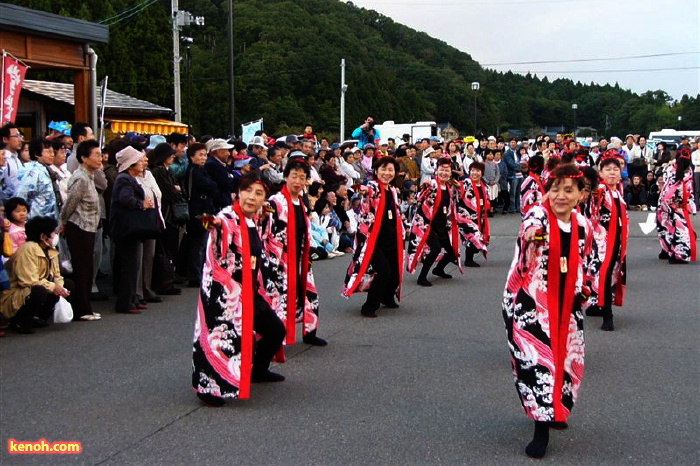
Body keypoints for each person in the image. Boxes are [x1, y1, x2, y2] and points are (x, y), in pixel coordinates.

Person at [502, 163, 591, 459]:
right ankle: (540, 426)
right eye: (555, 189)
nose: (561, 196)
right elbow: (529, 231)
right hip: (534, 303)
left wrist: (586, 290)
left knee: (566, 363)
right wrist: (533, 235)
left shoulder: (583, 225)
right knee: (539, 363)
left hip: (569, 304)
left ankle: (557, 408)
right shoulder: (538, 215)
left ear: (580, 194)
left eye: (569, 190)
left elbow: (589, 262)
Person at [192, 173, 287, 407]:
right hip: (223, 292)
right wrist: (214, 225)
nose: (251, 197)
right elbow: (220, 226)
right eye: (248, 191)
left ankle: (258, 370)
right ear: (238, 193)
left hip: (248, 290)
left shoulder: (255, 218)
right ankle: (207, 387)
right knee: (218, 340)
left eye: (258, 193)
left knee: (275, 330)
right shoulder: (228, 216)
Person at [262, 159, 327, 348]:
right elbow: (269, 231)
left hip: (300, 256)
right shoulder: (275, 201)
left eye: (302, 177)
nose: (298, 181)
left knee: (309, 295)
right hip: (281, 259)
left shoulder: (301, 201)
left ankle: (310, 332)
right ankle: (276, 339)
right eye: (294, 176)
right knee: (280, 298)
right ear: (285, 177)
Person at [343, 157, 404, 318]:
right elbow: (368, 191)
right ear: (376, 171)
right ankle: (369, 306)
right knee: (383, 271)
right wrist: (363, 191)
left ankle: (387, 296)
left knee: (396, 272)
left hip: (390, 236)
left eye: (390, 170)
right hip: (372, 239)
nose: (387, 173)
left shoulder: (392, 190)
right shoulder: (373, 186)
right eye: (383, 169)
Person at [0, 216, 74, 334]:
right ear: (43, 237)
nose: (56, 234)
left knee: (68, 284)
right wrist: (54, 287)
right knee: (39, 291)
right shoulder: (27, 250)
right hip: (15, 294)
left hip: (36, 286)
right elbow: (28, 281)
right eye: (53, 232)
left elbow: (57, 274)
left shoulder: (50, 249)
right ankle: (19, 321)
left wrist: (60, 287)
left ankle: (37, 317)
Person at [60, 139, 103, 321]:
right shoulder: (80, 177)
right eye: (97, 155)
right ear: (84, 158)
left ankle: (86, 308)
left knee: (87, 267)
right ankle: (81, 309)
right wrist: (63, 222)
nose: (100, 158)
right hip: (79, 227)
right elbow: (69, 204)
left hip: (89, 227)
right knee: (82, 269)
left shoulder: (90, 176)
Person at [585, 152, 629, 331]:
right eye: (608, 169)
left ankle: (597, 304)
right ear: (600, 172)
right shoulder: (601, 190)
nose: (612, 172)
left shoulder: (617, 192)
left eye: (615, 169)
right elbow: (592, 206)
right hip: (601, 242)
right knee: (603, 273)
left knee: (611, 274)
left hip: (616, 241)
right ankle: (607, 316)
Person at [407, 158, 465, 287]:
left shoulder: (450, 186)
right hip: (427, 224)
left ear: (451, 172)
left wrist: (458, 187)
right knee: (436, 249)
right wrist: (424, 188)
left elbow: (460, 198)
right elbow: (419, 198)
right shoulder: (432, 183)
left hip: (442, 224)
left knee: (452, 252)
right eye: (442, 170)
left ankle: (438, 269)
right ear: (436, 170)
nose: (444, 173)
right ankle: (422, 277)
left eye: (447, 170)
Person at [110, 146, 154, 315]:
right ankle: (125, 302)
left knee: (133, 264)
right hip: (125, 228)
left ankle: (132, 299)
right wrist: (141, 204)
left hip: (130, 228)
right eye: (138, 161)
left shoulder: (129, 178)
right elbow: (126, 198)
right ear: (131, 164)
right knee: (129, 265)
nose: (142, 163)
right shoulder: (124, 179)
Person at [149, 143, 184, 296]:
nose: (172, 157)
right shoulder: (160, 172)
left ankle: (168, 279)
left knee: (170, 248)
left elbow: (178, 188)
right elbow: (172, 193)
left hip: (170, 214)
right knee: (167, 249)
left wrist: (177, 189)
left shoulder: (166, 171)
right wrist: (177, 190)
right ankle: (165, 282)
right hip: (166, 214)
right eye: (170, 155)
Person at [182, 143, 219, 287]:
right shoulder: (194, 171)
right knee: (197, 244)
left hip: (204, 208)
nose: (203, 158)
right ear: (191, 157)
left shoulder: (201, 170)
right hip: (197, 210)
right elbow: (211, 187)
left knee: (202, 242)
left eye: (205, 155)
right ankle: (195, 275)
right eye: (200, 155)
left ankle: (198, 272)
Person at [656, 149, 696, 264]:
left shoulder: (669, 169)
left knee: (665, 226)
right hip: (678, 203)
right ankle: (678, 253)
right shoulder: (688, 173)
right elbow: (689, 190)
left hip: (666, 201)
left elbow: (665, 182)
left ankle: (669, 250)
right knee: (679, 228)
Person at [16, 138, 58, 219]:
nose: (52, 155)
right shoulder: (32, 172)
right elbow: (22, 196)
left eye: (53, 152)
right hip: (36, 219)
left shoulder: (48, 170)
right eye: (48, 152)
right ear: (37, 154)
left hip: (50, 219)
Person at [461, 162, 490, 267]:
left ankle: (470, 258)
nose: (475, 173)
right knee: (473, 236)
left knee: (476, 238)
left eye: (477, 171)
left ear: (482, 173)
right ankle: (468, 260)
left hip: (479, 216)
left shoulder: (484, 186)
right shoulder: (466, 182)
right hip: (465, 216)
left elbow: (486, 199)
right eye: (473, 170)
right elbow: (458, 186)